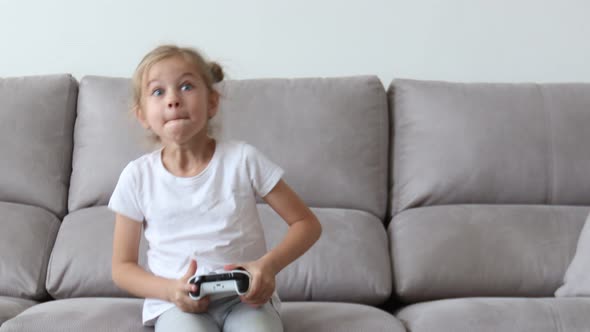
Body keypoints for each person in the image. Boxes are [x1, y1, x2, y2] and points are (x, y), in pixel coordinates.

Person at [108, 45, 322, 332]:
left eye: (186, 86)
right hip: (176, 305)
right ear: (142, 115)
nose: (173, 99)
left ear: (212, 102)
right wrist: (171, 290)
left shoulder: (243, 159)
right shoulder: (137, 177)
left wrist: (267, 266)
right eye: (158, 92)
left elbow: (306, 224)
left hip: (245, 300)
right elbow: (122, 268)